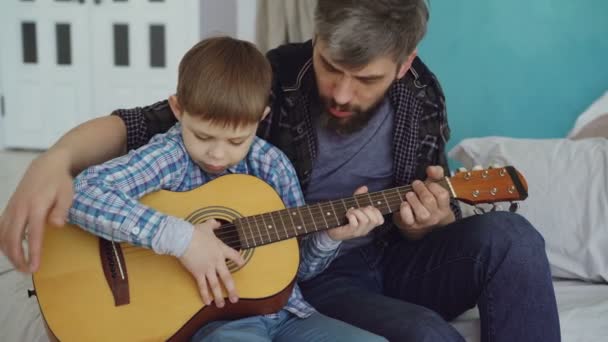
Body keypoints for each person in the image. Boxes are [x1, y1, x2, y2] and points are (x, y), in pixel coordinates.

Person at [0, 1, 560, 341]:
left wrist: (426, 222)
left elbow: (427, 205)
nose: (341, 92)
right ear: (315, 40)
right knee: (427, 336)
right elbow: (153, 122)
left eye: (365, 79)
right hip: (310, 269)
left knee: (513, 237)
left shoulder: (424, 96)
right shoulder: (272, 77)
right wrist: (54, 160)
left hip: (386, 252)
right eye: (330, 67)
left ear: (405, 63)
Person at [59, 36, 387, 342]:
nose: (217, 154)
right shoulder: (170, 155)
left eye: (235, 141)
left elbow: (296, 268)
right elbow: (82, 192)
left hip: (287, 314)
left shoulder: (272, 166)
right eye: (202, 136)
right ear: (178, 109)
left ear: (261, 118)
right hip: (213, 321)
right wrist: (183, 240)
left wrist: (331, 238)